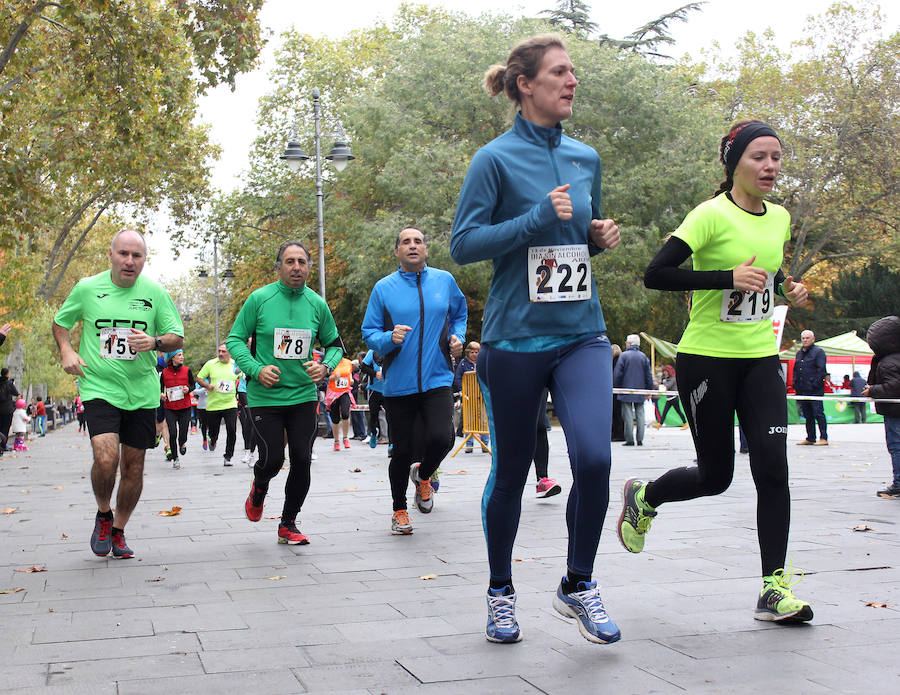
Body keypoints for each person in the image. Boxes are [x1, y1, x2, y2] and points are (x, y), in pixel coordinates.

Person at [450, 34, 621, 645]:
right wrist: (534, 219)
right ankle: (500, 590)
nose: (572, 81)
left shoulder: (586, 157)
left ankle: (578, 582)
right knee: (513, 470)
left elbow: (576, 235)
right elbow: (464, 245)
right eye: (559, 72)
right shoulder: (492, 159)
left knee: (596, 458)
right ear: (526, 84)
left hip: (582, 333)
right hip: (515, 339)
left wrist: (597, 237)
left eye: (574, 72)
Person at [622, 119, 814, 624]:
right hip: (706, 359)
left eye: (776, 157)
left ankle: (774, 588)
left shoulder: (780, 218)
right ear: (734, 164)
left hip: (759, 358)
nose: (770, 166)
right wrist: (724, 277)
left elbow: (768, 275)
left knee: (773, 466)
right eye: (759, 157)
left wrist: (786, 290)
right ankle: (646, 496)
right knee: (716, 476)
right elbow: (656, 274)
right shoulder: (709, 215)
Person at [53, 228, 184, 558]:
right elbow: (60, 323)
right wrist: (67, 351)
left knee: (134, 468)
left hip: (141, 391)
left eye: (136, 256)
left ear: (143, 260)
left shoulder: (154, 292)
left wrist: (154, 342)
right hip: (99, 385)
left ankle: (119, 529)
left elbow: (176, 337)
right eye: (123, 254)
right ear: (111, 255)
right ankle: (103, 513)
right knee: (106, 457)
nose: (129, 261)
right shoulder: (87, 288)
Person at [227, 240, 343, 545]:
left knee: (302, 457)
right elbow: (236, 339)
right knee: (273, 459)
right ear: (278, 267)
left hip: (303, 395)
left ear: (308, 267)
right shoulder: (260, 299)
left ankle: (288, 523)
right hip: (266, 396)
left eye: (302, 262)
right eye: (290, 261)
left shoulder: (317, 304)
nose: (296, 267)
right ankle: (260, 484)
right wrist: (255, 369)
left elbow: (335, 346)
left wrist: (325, 368)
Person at [362, 226, 467, 536]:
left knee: (442, 437)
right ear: (397, 252)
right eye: (405, 242)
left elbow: (460, 313)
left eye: (417, 241)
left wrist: (458, 337)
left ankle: (423, 476)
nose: (412, 246)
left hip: (437, 377)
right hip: (399, 384)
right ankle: (399, 510)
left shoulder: (444, 281)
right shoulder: (384, 288)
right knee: (402, 450)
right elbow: (369, 333)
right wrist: (388, 339)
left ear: (426, 249)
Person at [862, 316, 900, 498]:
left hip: (894, 412)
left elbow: (893, 387)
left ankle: (899, 483)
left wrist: (872, 390)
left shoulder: (887, 363)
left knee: (896, 446)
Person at [196, 344, 239, 466]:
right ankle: (213, 440)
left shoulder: (235, 365)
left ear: (230, 353)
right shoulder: (211, 364)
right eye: (219, 351)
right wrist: (207, 386)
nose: (220, 354)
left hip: (230, 404)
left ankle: (228, 456)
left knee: (232, 430)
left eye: (223, 351)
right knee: (214, 432)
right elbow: (199, 378)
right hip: (213, 405)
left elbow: (242, 377)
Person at [614, 335, 654, 446]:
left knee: (628, 416)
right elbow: (648, 375)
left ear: (629, 344)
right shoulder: (643, 357)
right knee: (640, 415)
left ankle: (630, 439)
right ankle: (640, 439)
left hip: (626, 390)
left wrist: (616, 387)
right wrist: (649, 390)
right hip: (640, 390)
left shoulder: (624, 356)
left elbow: (618, 374)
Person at [160, 349, 194, 470]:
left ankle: (182, 443)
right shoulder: (164, 373)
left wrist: (188, 389)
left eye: (182, 355)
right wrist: (161, 394)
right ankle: (175, 458)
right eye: (179, 355)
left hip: (184, 407)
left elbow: (193, 384)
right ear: (172, 358)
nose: (182, 357)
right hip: (170, 408)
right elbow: (160, 387)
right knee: (173, 433)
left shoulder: (187, 370)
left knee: (183, 433)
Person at [453, 341, 490, 453]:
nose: (474, 354)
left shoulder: (483, 363)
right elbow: (458, 378)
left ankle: (485, 444)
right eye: (472, 352)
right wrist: (462, 390)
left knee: (484, 420)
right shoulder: (463, 364)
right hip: (468, 396)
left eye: (477, 352)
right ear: (468, 352)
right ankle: (469, 445)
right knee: (469, 420)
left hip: (482, 397)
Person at [794, 329, 828, 445]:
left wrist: (814, 385)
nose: (805, 340)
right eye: (803, 338)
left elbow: (821, 370)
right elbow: (796, 370)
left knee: (818, 413)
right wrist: (796, 384)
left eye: (807, 338)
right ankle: (810, 437)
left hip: (815, 390)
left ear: (813, 339)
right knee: (807, 415)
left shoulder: (819, 352)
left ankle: (823, 438)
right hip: (802, 390)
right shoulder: (799, 353)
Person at [325, 356, 354, 451]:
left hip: (345, 391)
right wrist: (334, 377)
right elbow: (325, 377)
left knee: (346, 413)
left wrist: (351, 379)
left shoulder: (348, 362)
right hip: (333, 392)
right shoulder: (330, 362)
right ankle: (336, 441)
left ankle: (345, 438)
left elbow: (349, 374)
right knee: (335, 417)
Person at [360, 349, 388, 448]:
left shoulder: (392, 348)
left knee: (391, 416)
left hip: (389, 389)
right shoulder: (372, 352)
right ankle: (373, 433)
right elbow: (363, 367)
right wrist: (375, 374)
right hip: (374, 389)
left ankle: (392, 443)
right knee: (373, 415)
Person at [652, 364, 689, 430]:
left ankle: (685, 423)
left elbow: (667, 387)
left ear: (669, 371)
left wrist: (662, 384)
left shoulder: (673, 379)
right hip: (669, 398)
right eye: (664, 372)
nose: (665, 373)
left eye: (666, 372)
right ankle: (660, 424)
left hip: (674, 398)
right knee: (665, 412)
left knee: (678, 411)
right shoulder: (668, 379)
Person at [0, 367, 20, 454]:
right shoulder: (9, 383)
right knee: (6, 427)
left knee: (0, 427)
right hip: (7, 409)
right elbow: (17, 394)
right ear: (7, 374)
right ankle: (3, 445)